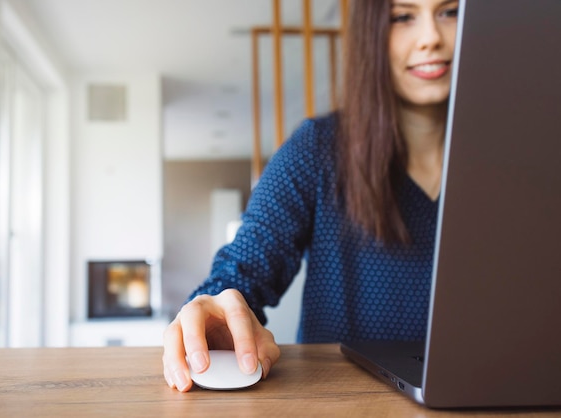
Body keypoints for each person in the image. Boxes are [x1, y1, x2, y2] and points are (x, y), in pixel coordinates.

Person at [163, 0, 459, 392]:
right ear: (371, 36)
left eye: (450, 12)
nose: (431, 39)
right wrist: (215, 311)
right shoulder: (316, 151)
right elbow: (242, 272)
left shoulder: (532, 156)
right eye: (403, 17)